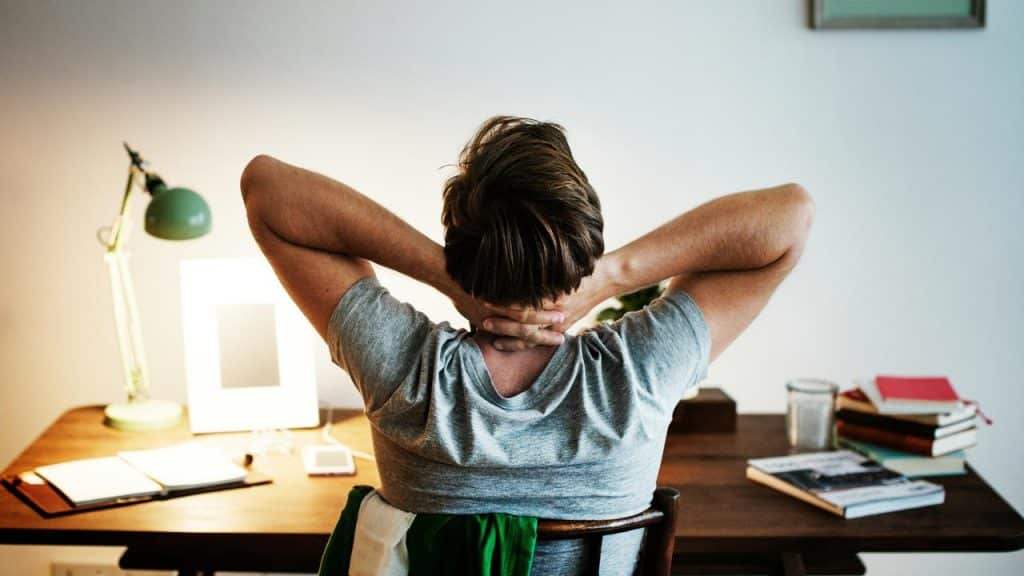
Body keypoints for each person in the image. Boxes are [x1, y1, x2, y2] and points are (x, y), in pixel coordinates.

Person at [240, 116, 814, 574]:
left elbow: (266, 187)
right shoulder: (641, 371)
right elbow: (791, 215)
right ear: (585, 244)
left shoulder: (402, 365)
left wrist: (448, 278)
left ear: (459, 246)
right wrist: (611, 276)